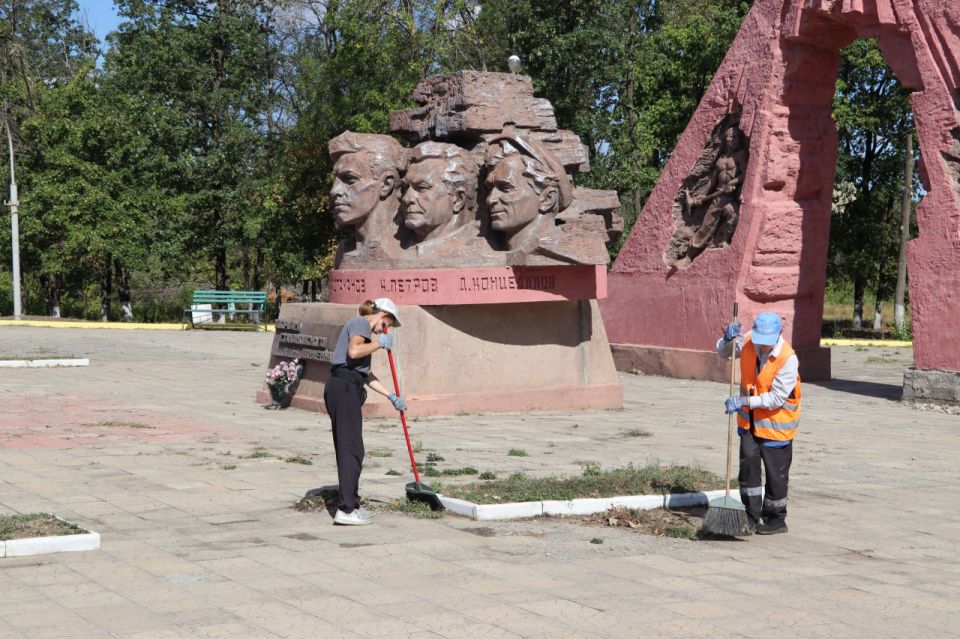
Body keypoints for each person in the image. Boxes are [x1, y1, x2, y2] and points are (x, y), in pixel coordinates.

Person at [324, 297, 407, 526]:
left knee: (351, 448)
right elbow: (353, 352)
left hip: (344, 386)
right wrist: (380, 343)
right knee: (352, 450)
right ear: (382, 315)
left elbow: (365, 374)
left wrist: (391, 396)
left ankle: (350, 504)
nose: (386, 329)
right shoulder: (362, 323)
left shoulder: (364, 332)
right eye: (388, 324)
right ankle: (346, 510)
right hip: (344, 388)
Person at [717, 311, 801, 535]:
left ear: (778, 335)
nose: (762, 347)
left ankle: (775, 519)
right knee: (749, 471)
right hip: (749, 425)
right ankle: (750, 515)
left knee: (776, 475)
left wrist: (744, 401)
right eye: (759, 342)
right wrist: (726, 339)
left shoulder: (788, 358)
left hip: (776, 426)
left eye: (767, 343)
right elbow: (723, 354)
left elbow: (775, 399)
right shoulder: (746, 341)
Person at [328, 132, 409, 267]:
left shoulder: (409, 248)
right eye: (335, 180)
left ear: (386, 184)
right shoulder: (344, 251)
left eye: (349, 179)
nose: (334, 191)